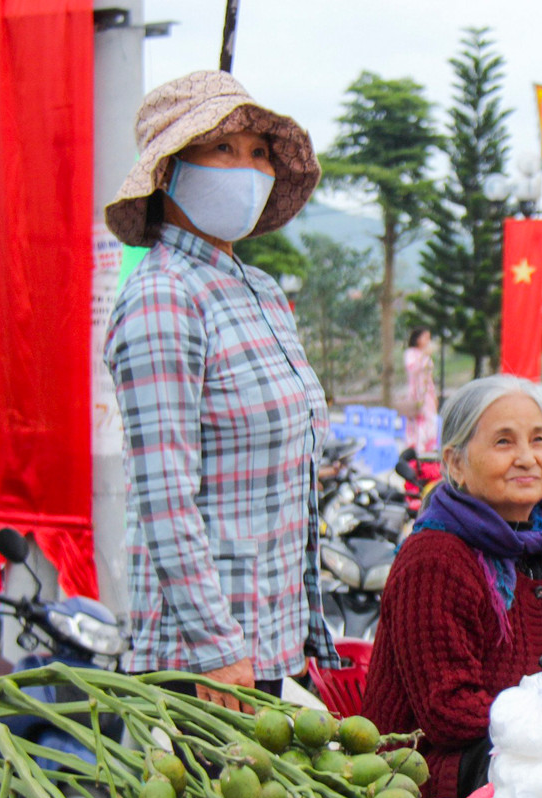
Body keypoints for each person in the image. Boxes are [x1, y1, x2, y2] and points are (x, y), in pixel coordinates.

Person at [103, 71, 333, 709]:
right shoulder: (162, 297)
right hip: (205, 664)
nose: (248, 167)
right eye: (223, 149)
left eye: (259, 152)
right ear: (171, 171)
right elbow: (163, 495)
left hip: (269, 640)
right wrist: (217, 648)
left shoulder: (259, 292)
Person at [362, 376, 542, 798]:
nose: (527, 458)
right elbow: (448, 711)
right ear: (456, 463)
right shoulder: (434, 559)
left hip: (521, 753)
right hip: (426, 783)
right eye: (504, 442)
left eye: (538, 440)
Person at [403, 327, 439, 454]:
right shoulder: (411, 353)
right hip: (415, 394)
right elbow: (413, 369)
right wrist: (424, 354)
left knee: (430, 419)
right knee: (417, 420)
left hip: (427, 393)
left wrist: (433, 395)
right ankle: (416, 447)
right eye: (425, 338)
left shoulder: (427, 356)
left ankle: (429, 446)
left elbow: (429, 377)